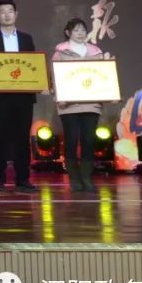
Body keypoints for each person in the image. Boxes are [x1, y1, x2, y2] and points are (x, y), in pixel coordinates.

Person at [0, 0, 41, 193]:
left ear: (16, 14)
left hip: (23, 96)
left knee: (22, 138)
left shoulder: (26, 38)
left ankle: (23, 178)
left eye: (10, 11)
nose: (7, 15)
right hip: (0, 96)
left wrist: (38, 84)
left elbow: (33, 65)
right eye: (2, 12)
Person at [52, 17, 108, 192]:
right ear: (68, 33)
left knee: (89, 140)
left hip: (91, 103)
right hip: (69, 104)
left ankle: (86, 177)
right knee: (71, 139)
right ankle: (74, 177)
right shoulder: (60, 53)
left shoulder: (96, 52)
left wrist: (109, 90)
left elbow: (104, 77)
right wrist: (59, 95)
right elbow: (55, 77)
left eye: (83, 30)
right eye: (76, 30)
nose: (80, 33)